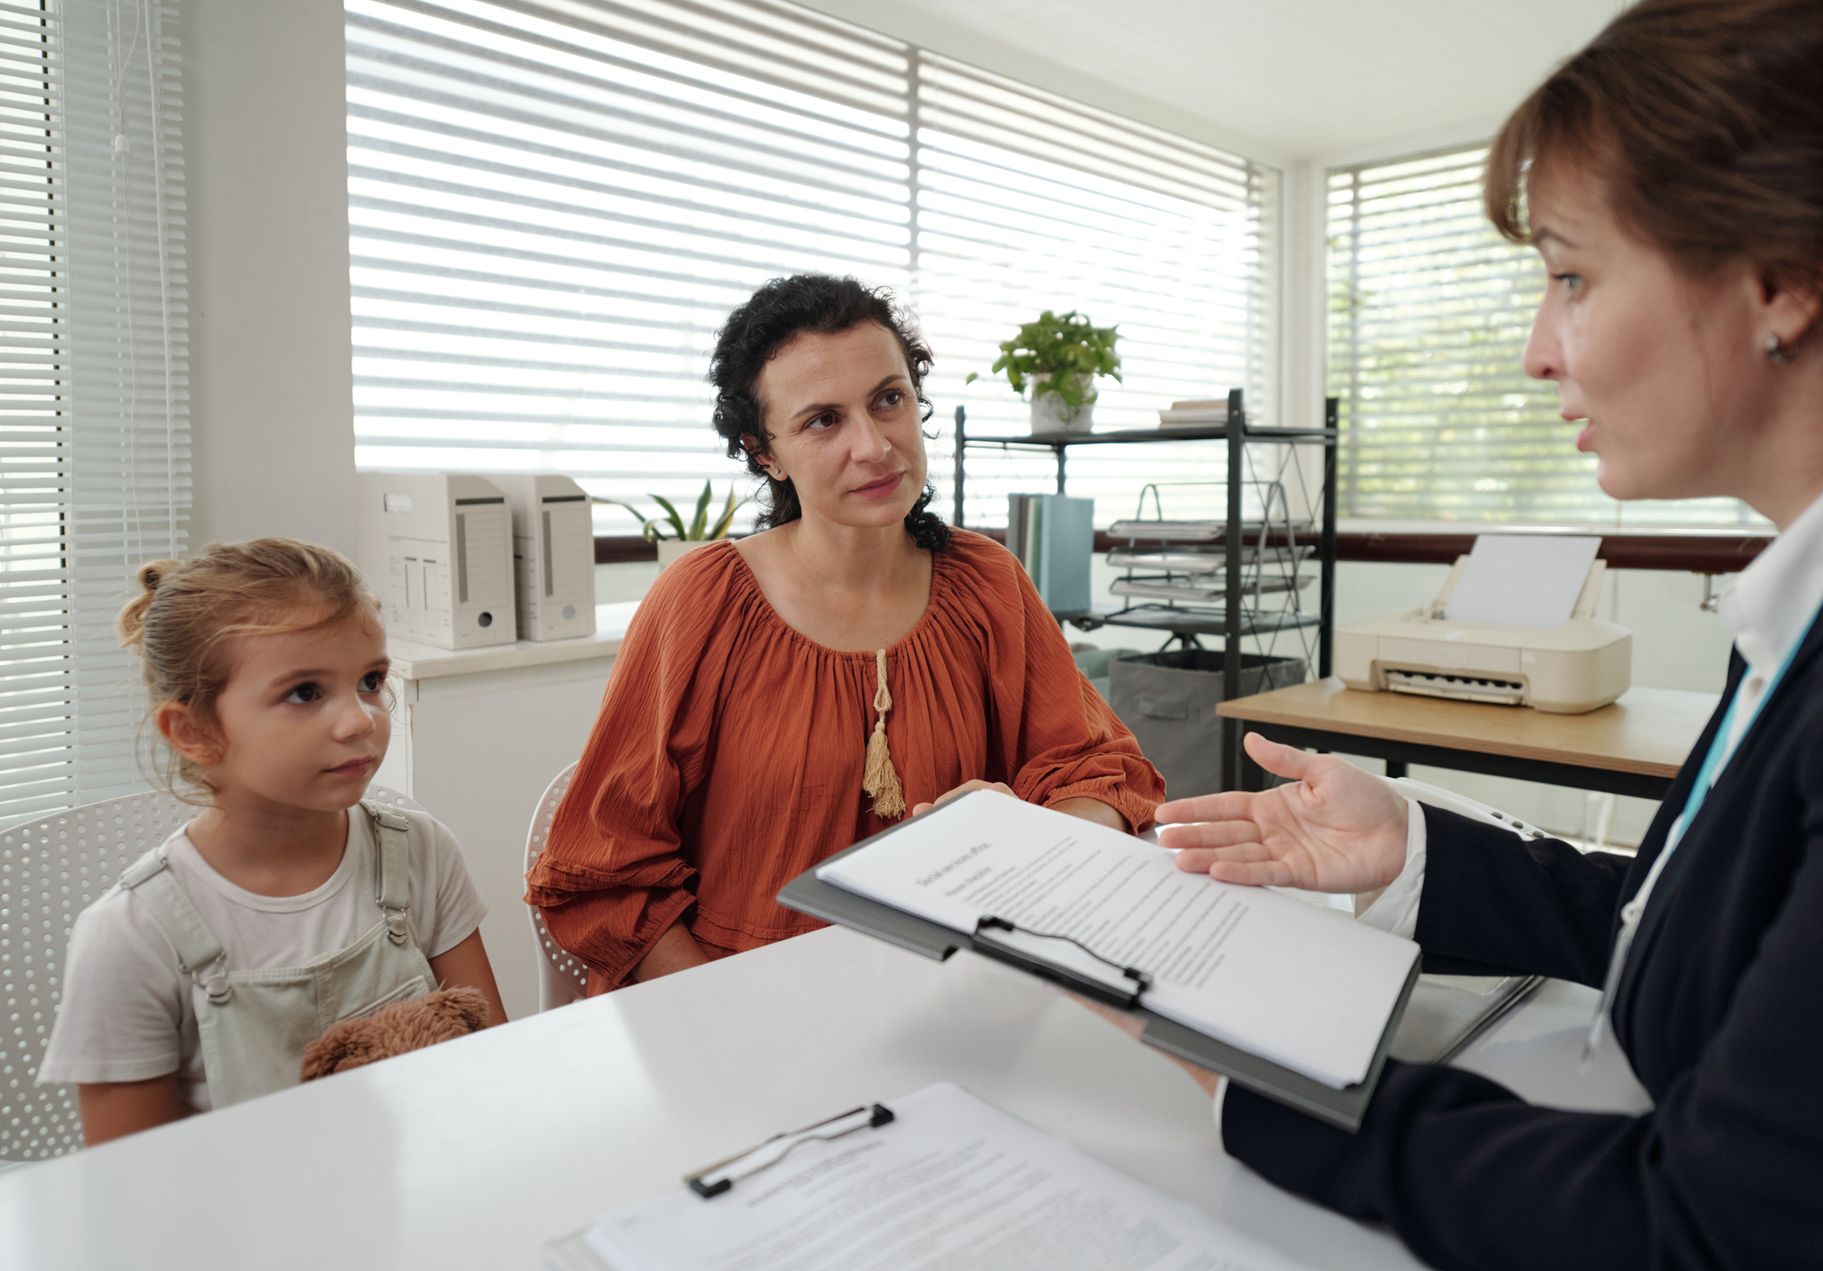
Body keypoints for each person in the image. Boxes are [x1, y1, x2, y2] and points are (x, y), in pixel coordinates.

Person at [1132, 1, 1823, 1271]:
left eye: (1571, 275)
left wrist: (1267, 1082)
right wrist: (1407, 847)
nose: (1534, 350)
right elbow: (1719, 933)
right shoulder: (1816, 606)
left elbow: (1717, 1235)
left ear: (1783, 276)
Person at [527, 274, 1164, 991]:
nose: (873, 446)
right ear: (764, 450)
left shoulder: (989, 582)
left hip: (962, 994)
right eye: (823, 420)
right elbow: (606, 870)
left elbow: (1103, 776)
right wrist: (722, 1014)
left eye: (888, 400)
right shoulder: (702, 601)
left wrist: (1023, 828)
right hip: (743, 1003)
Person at [39, 539, 507, 1144]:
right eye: (306, 692)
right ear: (194, 731)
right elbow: (131, 1189)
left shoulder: (420, 851)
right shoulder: (132, 935)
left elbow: (495, 1066)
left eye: (370, 681)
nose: (361, 719)